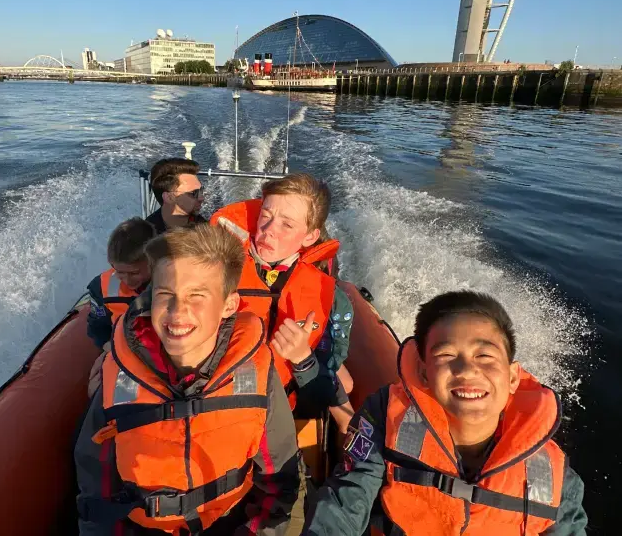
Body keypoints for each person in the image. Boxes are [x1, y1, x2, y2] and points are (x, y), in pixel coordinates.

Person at [75, 223, 300, 536]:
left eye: (197, 296)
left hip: (230, 524)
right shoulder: (119, 372)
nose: (178, 312)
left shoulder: (257, 372)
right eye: (166, 294)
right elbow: (95, 485)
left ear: (229, 305)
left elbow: (279, 485)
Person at [302, 290, 588, 536]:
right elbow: (346, 499)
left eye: (485, 356)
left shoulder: (553, 477)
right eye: (447, 355)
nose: (466, 370)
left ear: (513, 377)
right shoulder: (386, 419)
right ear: (424, 373)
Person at [210, 173, 355, 433]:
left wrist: (303, 359)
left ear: (310, 237)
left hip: (282, 414)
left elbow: (318, 399)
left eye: (287, 225)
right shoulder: (214, 270)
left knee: (346, 383)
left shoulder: (333, 301)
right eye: (265, 215)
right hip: (216, 407)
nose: (268, 230)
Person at [86, 217, 156, 350]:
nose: (128, 280)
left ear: (152, 261)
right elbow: (97, 328)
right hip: (122, 353)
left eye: (134, 273)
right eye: (120, 272)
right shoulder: (100, 288)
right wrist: (109, 348)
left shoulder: (172, 282)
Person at [146, 157, 207, 234]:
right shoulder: (144, 237)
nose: (202, 198)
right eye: (194, 193)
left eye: (201, 190)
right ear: (169, 197)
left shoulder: (207, 231)